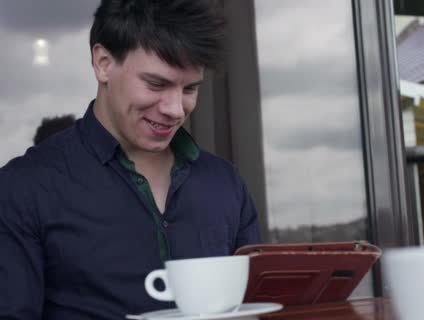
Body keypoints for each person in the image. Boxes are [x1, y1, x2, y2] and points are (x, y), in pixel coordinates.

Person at [0, 0, 261, 319]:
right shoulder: (23, 188)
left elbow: (256, 305)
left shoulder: (226, 183)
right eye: (157, 84)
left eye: (190, 88)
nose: (176, 109)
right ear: (103, 62)